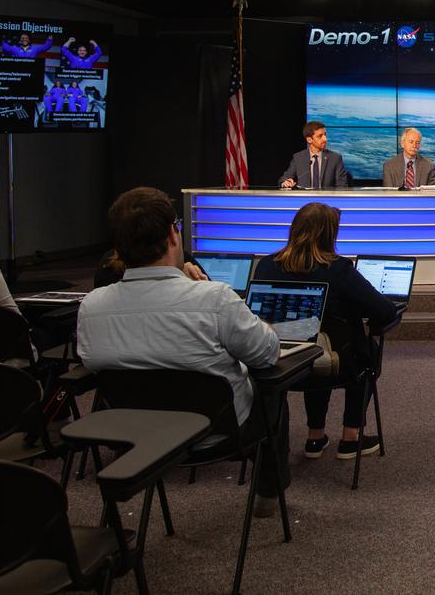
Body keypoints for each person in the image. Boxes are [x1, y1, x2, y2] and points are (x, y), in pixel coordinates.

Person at [77, 187, 288, 515]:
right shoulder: (213, 298)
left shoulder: (91, 307)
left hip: (133, 432)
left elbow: (93, 363)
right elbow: (266, 353)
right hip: (218, 434)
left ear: (118, 247)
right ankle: (269, 489)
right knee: (273, 386)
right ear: (173, 237)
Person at [254, 203, 400, 459]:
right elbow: (385, 312)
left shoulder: (266, 265)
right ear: (329, 234)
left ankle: (315, 437)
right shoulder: (339, 269)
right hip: (335, 364)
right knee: (366, 351)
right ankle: (351, 436)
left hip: (280, 363)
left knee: (315, 345)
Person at [279, 121, 351, 189]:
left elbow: (342, 186)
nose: (325, 139)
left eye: (325, 135)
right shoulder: (298, 157)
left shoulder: (335, 158)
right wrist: (286, 182)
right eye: (320, 136)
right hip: (305, 200)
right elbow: (284, 178)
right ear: (309, 140)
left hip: (326, 200)